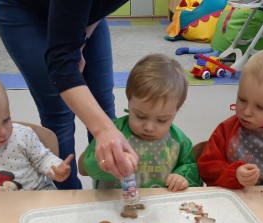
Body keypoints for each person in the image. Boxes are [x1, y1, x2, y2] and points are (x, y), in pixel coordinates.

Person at [0, 0, 138, 190]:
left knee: (103, 107)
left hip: (79, 13)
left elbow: (98, 8)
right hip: (24, 9)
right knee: (58, 114)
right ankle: (69, 197)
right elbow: (61, 67)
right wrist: (103, 130)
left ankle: (108, 188)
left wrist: (80, 41)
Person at [82, 54, 200, 191]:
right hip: (113, 204)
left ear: (176, 111)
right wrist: (110, 161)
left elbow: (191, 168)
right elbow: (87, 168)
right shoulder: (112, 134)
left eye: (162, 120)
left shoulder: (179, 140)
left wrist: (182, 176)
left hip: (159, 206)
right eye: (140, 116)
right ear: (129, 100)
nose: (149, 127)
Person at [0, 65, 74, 192]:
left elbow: (43, 159)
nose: (3, 132)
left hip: (37, 195)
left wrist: (56, 168)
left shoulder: (21, 135)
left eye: (6, 120)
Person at [197, 49, 263, 188]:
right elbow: (207, 167)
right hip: (232, 198)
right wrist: (233, 174)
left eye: (260, 107)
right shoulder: (227, 130)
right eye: (242, 99)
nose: (247, 112)